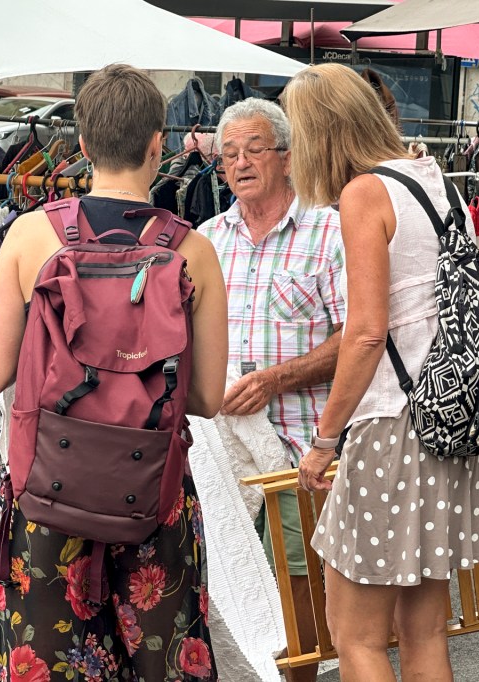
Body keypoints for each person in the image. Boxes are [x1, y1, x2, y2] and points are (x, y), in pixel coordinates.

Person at [0, 64, 229, 681]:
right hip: (152, 496)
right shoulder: (192, 250)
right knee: (164, 665)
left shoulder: (30, 236)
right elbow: (205, 397)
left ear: (83, 145)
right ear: (158, 144)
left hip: (47, 492)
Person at [286, 63, 479, 682]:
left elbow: (367, 332)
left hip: (392, 428)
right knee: (423, 629)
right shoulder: (438, 180)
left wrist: (323, 441)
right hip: (449, 416)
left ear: (322, 134)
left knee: (357, 635)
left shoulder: (364, 194)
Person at [198, 98, 345, 682]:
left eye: (254, 148)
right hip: (225, 451)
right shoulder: (207, 239)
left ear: (286, 157)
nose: (240, 163)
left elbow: (358, 336)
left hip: (302, 445)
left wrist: (276, 378)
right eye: (229, 153)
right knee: (229, 590)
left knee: (299, 591)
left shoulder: (327, 229)